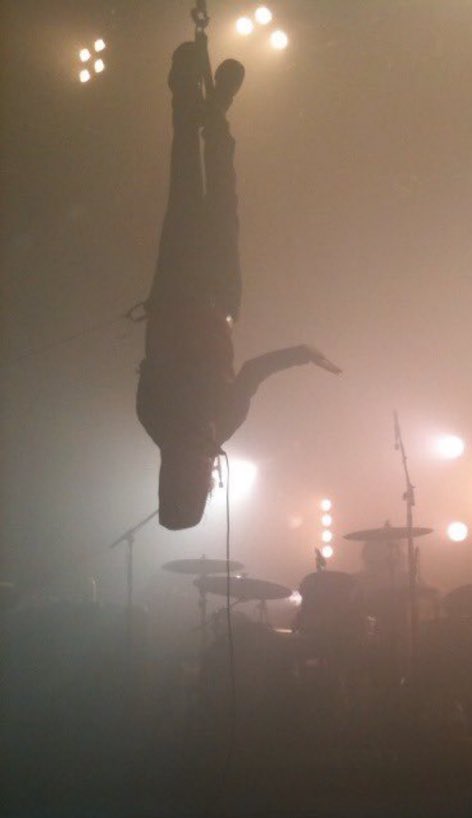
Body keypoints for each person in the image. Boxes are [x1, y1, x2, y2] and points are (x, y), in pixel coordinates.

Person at [137, 39, 339, 530]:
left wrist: (300, 353)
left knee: (188, 189)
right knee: (216, 200)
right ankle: (214, 113)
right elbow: (250, 372)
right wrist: (301, 352)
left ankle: (188, 94)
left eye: (198, 483)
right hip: (216, 299)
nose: (207, 477)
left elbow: (213, 366)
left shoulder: (162, 419)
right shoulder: (195, 424)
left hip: (181, 291)